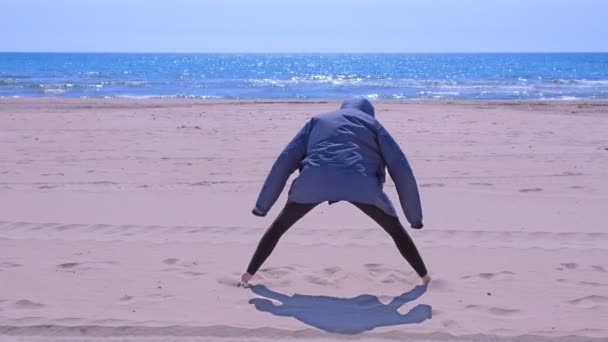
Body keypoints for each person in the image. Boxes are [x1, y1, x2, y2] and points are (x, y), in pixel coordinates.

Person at [240, 98, 430, 287]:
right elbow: (401, 168)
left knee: (279, 227)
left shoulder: (318, 121)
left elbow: (284, 161)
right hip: (360, 184)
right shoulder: (373, 125)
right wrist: (415, 218)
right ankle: (424, 276)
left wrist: (262, 206)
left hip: (313, 181)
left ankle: (247, 276)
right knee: (395, 230)